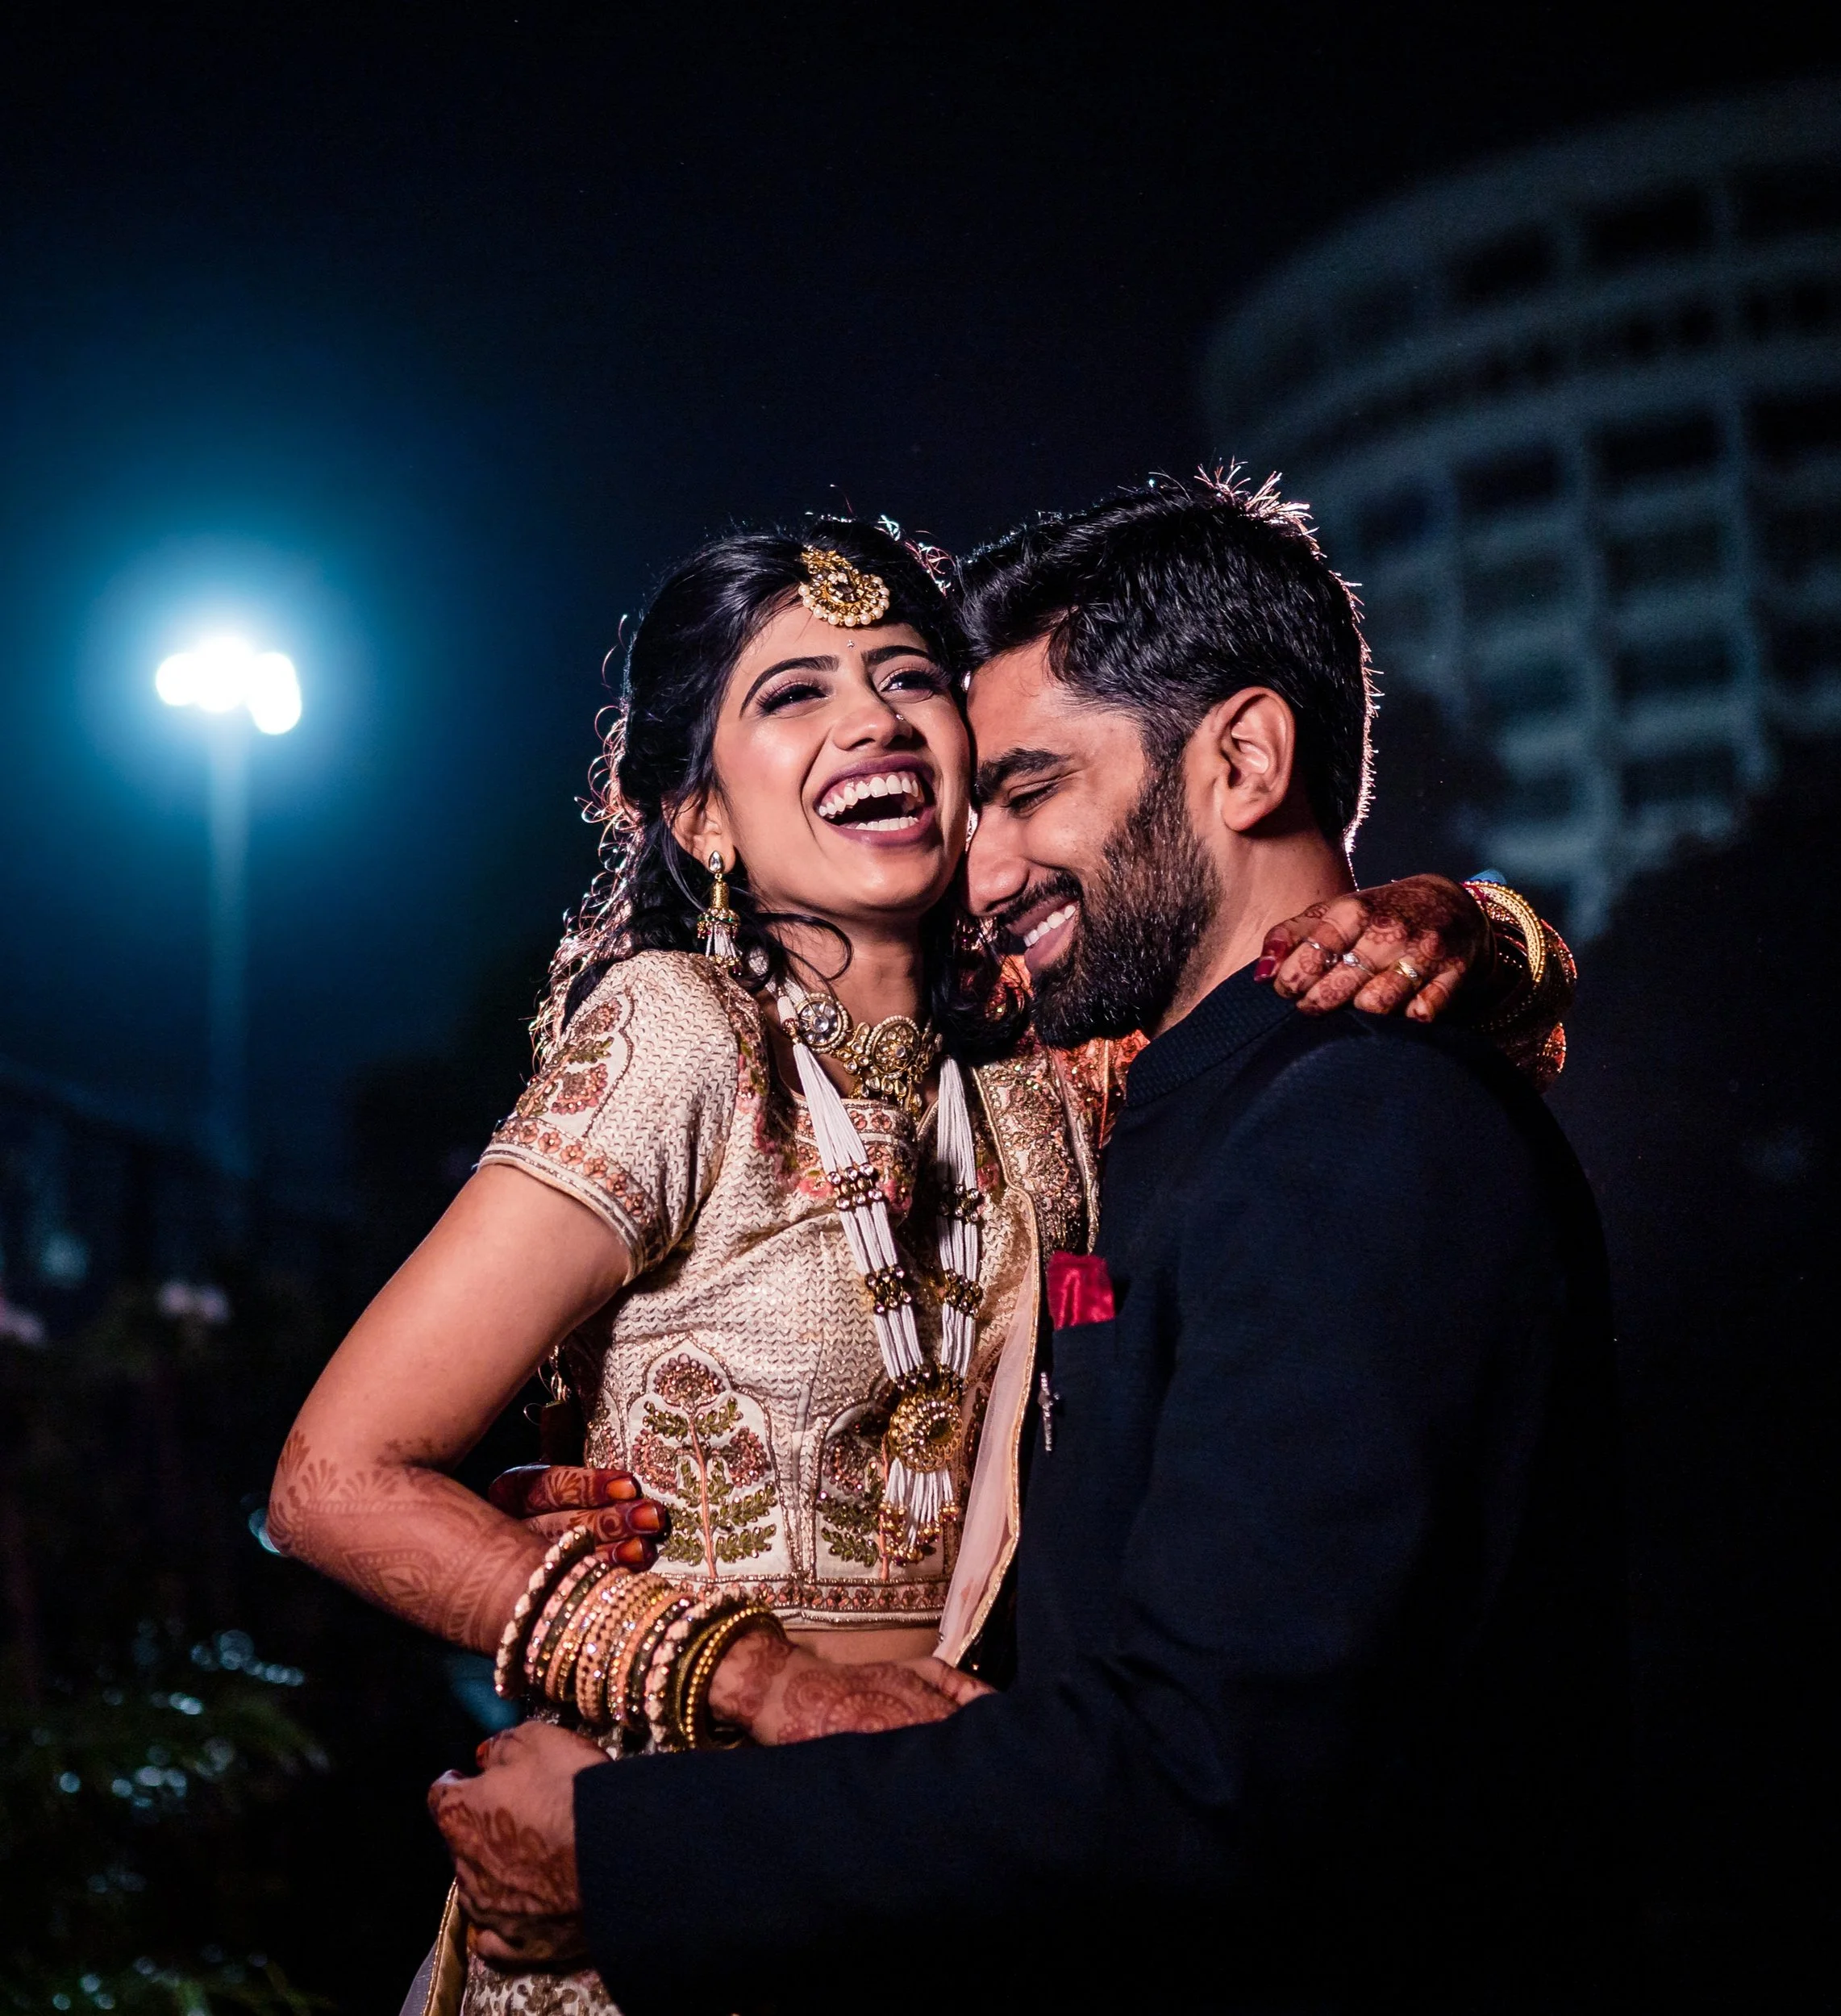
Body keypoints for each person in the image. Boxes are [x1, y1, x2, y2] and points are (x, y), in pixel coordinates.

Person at [266, 515, 1565, 2016]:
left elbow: (1308, 1063)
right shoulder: (684, 1038)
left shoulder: (1057, 1083)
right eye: (792, 694)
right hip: (655, 1882)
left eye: (904, 677)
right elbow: (330, 1480)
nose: (869, 718)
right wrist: (764, 1683)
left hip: (946, 1893)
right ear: (699, 818)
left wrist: (1475, 926)